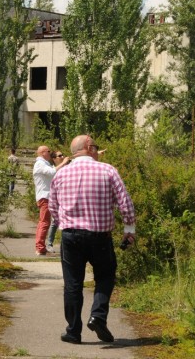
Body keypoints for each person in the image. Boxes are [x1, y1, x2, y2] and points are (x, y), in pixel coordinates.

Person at [49, 135, 136, 344]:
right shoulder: (107, 170)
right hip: (99, 236)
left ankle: (73, 331)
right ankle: (97, 315)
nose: (97, 151)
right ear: (89, 148)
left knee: (72, 284)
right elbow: (124, 202)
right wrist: (129, 228)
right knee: (105, 276)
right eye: (95, 147)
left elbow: (53, 207)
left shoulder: (60, 174)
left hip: (71, 236)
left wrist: (66, 223)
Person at [33, 145, 69, 255]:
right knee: (44, 222)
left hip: (46, 196)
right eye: (48, 151)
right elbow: (51, 172)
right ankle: (40, 248)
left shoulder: (44, 163)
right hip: (45, 196)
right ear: (43, 152)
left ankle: (41, 247)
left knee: (45, 222)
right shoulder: (40, 163)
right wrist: (63, 163)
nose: (50, 152)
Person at [45, 150, 67, 252]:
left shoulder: (67, 166)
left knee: (67, 221)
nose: (62, 157)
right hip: (57, 197)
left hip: (66, 197)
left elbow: (79, 157)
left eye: (62, 155)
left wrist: (97, 153)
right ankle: (49, 244)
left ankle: (65, 245)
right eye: (60, 156)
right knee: (54, 221)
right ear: (54, 159)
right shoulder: (53, 169)